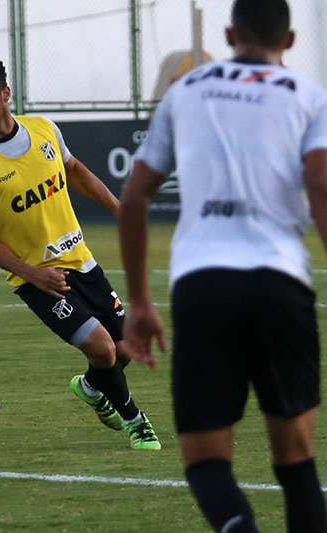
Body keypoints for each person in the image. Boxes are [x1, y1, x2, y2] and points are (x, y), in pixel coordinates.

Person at [119, 0, 327, 530]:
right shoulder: (309, 96)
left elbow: (136, 194)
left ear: (230, 32)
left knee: (207, 462)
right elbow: (321, 184)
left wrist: (140, 303)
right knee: (297, 461)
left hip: (202, 285)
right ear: (291, 40)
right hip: (281, 284)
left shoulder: (186, 91)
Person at [0, 55, 160, 450]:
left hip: (80, 259)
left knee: (122, 348)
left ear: (6, 94)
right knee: (101, 347)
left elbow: (76, 171)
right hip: (37, 279)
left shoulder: (44, 130)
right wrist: (31, 274)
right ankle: (136, 421)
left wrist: (120, 210)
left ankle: (91, 387)